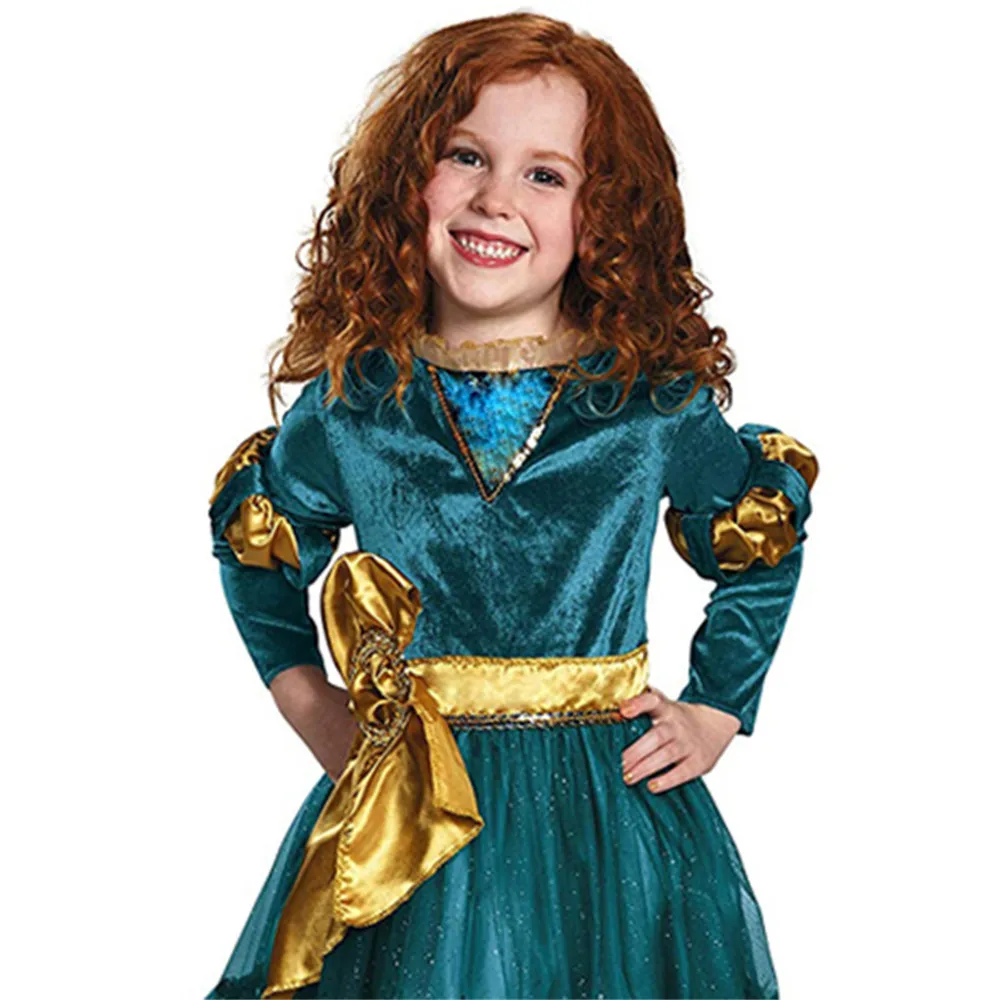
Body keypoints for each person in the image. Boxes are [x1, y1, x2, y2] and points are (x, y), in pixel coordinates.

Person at [204, 12, 818, 1000]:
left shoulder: (648, 402)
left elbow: (760, 536)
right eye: (465, 156)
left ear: (605, 214)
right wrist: (306, 697)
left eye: (546, 174)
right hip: (411, 820)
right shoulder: (360, 401)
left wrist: (714, 708)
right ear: (407, 177)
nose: (496, 198)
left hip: (610, 820)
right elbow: (255, 543)